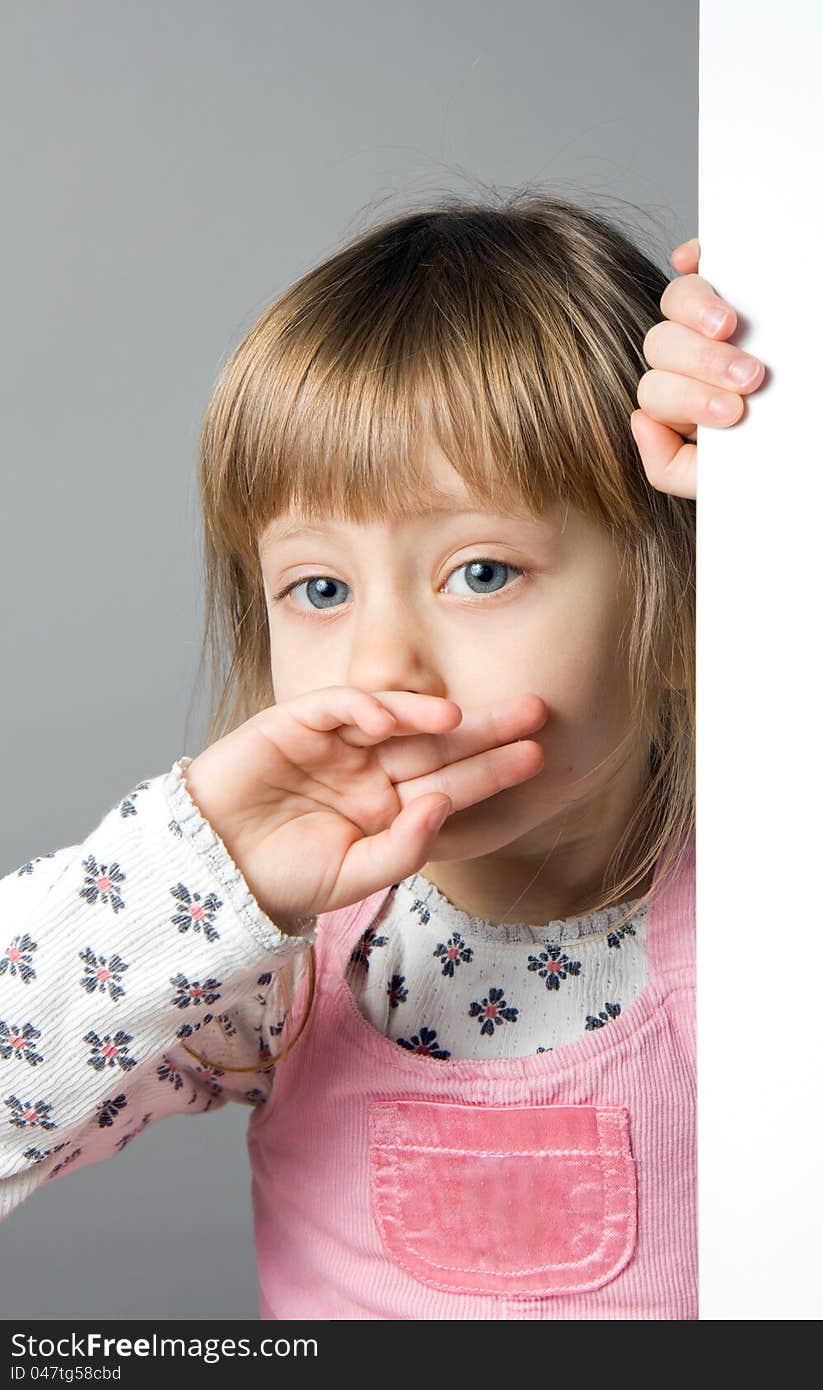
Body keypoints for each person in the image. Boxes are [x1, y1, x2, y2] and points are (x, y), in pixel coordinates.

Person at [0, 199, 764, 1319]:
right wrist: (215, 873)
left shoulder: (784, 917)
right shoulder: (281, 957)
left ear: (682, 604)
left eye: (483, 572)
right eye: (320, 590)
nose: (382, 666)